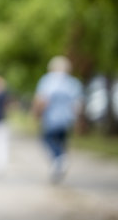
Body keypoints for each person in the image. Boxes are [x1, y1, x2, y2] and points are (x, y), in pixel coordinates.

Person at [32, 55, 83, 183]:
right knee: (61, 141)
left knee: (47, 139)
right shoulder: (73, 83)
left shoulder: (48, 80)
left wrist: (36, 113)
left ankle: (59, 159)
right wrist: (77, 120)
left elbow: (42, 100)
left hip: (52, 118)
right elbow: (77, 104)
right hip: (67, 119)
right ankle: (59, 163)